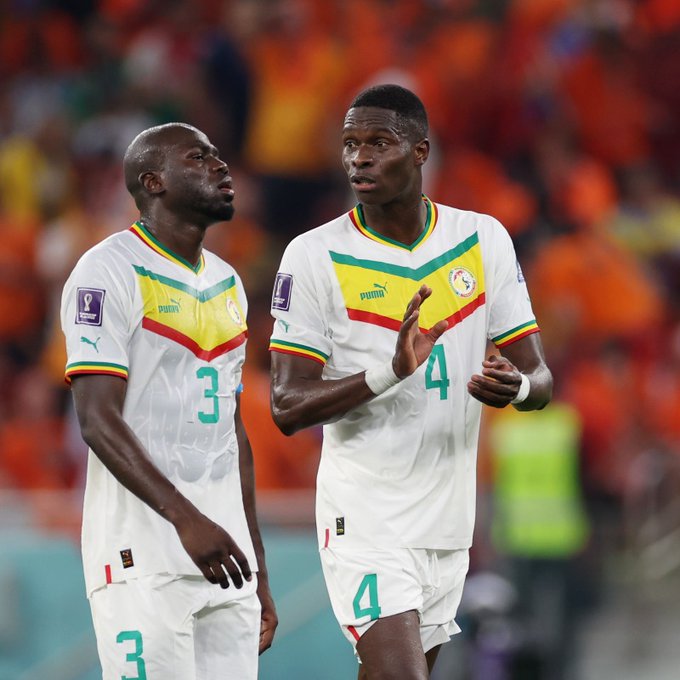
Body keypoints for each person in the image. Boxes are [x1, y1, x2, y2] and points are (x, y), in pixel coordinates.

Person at [268, 84, 553, 680]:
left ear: (420, 151)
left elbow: (539, 375)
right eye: (349, 144)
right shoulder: (314, 255)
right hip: (365, 512)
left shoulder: (481, 241)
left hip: (449, 520)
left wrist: (520, 390)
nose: (359, 158)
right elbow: (287, 405)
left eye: (378, 142)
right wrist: (388, 372)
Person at [60, 122, 277, 679]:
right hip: (144, 553)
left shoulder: (228, 282)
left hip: (226, 559)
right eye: (199, 157)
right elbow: (96, 418)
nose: (220, 165)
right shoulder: (106, 271)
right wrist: (187, 520)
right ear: (153, 181)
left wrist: (259, 566)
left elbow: (233, 437)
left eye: (218, 154)